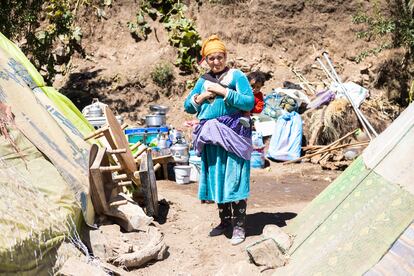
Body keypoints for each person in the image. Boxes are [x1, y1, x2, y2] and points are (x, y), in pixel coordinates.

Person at [184, 35, 254, 245]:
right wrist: (202, 97)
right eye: (211, 58)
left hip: (233, 133)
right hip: (211, 136)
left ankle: (239, 226)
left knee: (235, 178)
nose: (216, 62)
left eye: (219, 57)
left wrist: (225, 92)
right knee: (217, 177)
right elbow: (188, 107)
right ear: (206, 60)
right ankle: (224, 221)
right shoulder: (203, 81)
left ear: (225, 56)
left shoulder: (236, 76)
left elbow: (249, 102)